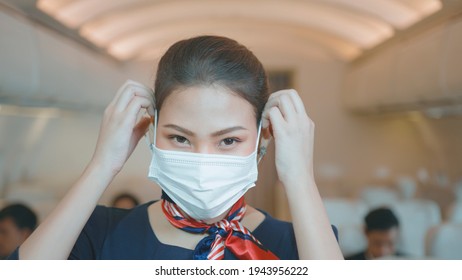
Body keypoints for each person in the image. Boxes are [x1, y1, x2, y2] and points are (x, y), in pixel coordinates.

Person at [11, 35, 342, 260]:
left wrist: (299, 176)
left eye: (228, 140)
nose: (202, 163)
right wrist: (103, 164)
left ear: (261, 139)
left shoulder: (301, 241)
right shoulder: (97, 232)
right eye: (180, 138)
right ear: (152, 133)